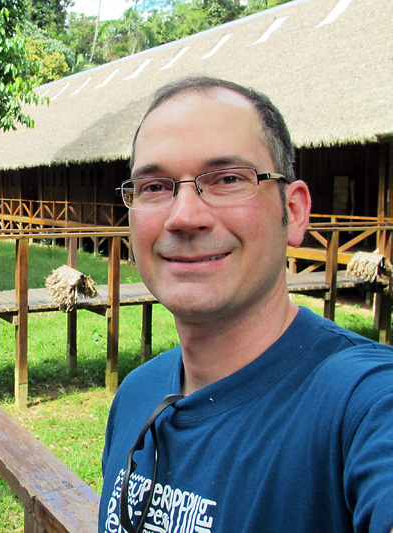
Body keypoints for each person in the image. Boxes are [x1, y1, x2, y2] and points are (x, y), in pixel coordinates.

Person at [99, 76, 393, 533]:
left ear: (293, 212)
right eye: (155, 187)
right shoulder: (136, 395)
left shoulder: (360, 402)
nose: (184, 217)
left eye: (229, 179)